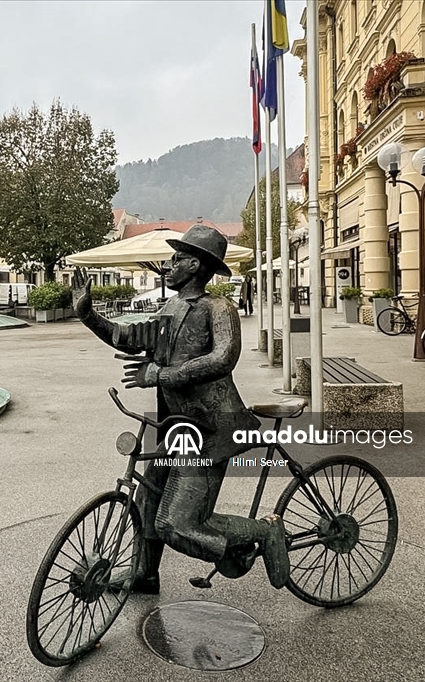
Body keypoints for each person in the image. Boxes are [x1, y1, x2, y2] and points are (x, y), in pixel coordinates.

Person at [72, 224, 290, 594]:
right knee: (147, 500)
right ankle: (144, 573)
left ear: (194, 266)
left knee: (178, 524)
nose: (168, 266)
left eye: (176, 260)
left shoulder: (219, 308)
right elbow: (131, 337)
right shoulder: (171, 306)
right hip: (177, 427)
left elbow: (224, 359)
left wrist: (161, 374)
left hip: (212, 430)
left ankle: (265, 531)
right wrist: (89, 315)